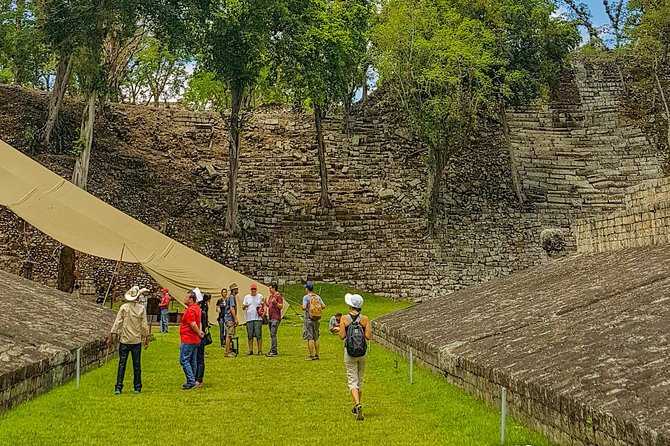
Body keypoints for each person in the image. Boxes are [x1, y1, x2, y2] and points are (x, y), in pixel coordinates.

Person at [109, 286, 150, 395]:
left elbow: (118, 321)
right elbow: (144, 325)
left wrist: (113, 333)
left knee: (122, 364)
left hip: (125, 340)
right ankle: (137, 386)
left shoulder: (124, 307)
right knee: (136, 364)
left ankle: (118, 386)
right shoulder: (141, 308)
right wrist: (146, 336)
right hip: (135, 340)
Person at [339, 293, 372, 421]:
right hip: (362, 353)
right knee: (360, 379)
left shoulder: (344, 319)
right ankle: (356, 405)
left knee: (352, 380)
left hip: (350, 352)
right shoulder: (365, 319)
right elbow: (368, 336)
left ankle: (357, 404)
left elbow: (342, 336)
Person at [179, 290, 204, 390]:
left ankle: (190, 380)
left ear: (191, 299)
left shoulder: (190, 310)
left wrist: (198, 332)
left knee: (184, 360)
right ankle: (193, 379)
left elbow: (193, 324)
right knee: (192, 360)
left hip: (188, 338)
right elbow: (199, 322)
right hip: (195, 340)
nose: (184, 298)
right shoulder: (197, 308)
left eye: (186, 297)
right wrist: (200, 332)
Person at [301, 282, 325, 360]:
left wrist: (303, 306)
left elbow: (304, 307)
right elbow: (323, 306)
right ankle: (317, 354)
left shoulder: (306, 297)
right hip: (316, 318)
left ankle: (311, 356)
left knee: (310, 337)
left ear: (307, 289)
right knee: (316, 337)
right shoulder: (317, 297)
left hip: (308, 319)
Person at [242, 283, 264, 355]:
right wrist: (245, 306)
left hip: (258, 318)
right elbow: (243, 307)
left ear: (256, 290)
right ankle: (250, 350)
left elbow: (264, 305)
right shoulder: (247, 297)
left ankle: (259, 350)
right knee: (250, 335)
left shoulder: (260, 296)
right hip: (249, 319)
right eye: (252, 289)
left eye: (254, 289)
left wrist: (263, 313)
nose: (253, 290)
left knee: (258, 335)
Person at [195, 292, 211, 387]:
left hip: (200, 337)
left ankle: (199, 378)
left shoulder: (202, 313)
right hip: (195, 337)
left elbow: (203, 325)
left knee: (199, 359)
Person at [266, 282, 284, 357]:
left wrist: (276, 303)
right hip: (270, 317)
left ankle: (274, 350)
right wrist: (265, 303)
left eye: (270, 288)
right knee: (271, 334)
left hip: (276, 318)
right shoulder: (270, 297)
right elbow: (269, 306)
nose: (269, 290)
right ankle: (272, 349)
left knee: (273, 334)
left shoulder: (278, 296)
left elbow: (281, 306)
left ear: (274, 288)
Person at [224, 283, 240, 358]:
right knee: (229, 335)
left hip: (229, 318)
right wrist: (235, 318)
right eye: (236, 289)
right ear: (234, 290)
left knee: (229, 334)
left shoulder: (231, 297)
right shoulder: (231, 297)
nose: (237, 290)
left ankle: (229, 350)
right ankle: (227, 352)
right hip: (230, 318)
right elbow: (231, 308)